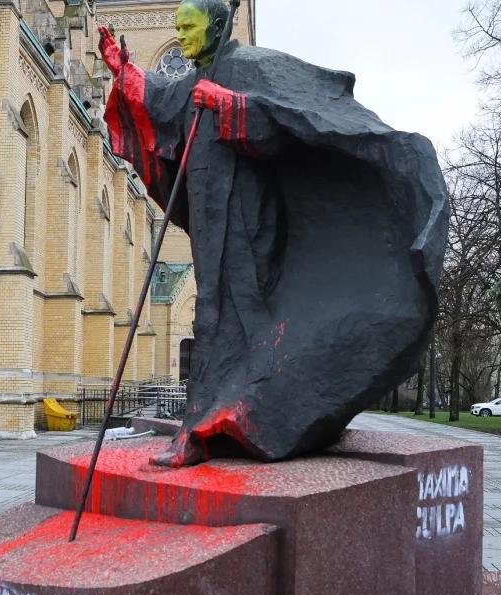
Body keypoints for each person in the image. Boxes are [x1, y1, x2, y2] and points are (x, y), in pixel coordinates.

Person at [99, 0, 448, 467]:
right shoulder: (192, 80)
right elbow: (162, 107)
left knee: (235, 315)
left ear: (218, 26)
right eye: (177, 27)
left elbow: (292, 123)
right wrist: (125, 72)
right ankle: (213, 422)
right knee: (213, 314)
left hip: (247, 216)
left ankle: (226, 420)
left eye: (189, 27)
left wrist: (233, 106)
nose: (180, 36)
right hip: (208, 215)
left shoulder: (247, 65)